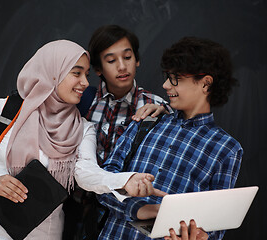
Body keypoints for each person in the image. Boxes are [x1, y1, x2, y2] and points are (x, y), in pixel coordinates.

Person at [0, 40, 159, 240]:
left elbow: (86, 173)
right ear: (53, 73)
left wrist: (124, 180)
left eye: (86, 75)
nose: (86, 83)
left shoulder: (83, 128)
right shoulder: (7, 109)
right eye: (76, 73)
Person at [97, 36, 243, 240]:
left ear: (205, 84)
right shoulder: (146, 121)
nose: (165, 85)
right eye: (167, 76)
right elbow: (102, 183)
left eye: (175, 79)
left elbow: (216, 226)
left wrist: (200, 236)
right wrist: (141, 209)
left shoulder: (227, 149)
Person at [64, 25, 171, 240]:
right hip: (76, 210)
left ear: (137, 59)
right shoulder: (83, 101)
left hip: (124, 215)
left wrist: (166, 111)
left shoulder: (155, 106)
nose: (122, 66)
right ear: (97, 69)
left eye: (128, 57)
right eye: (111, 61)